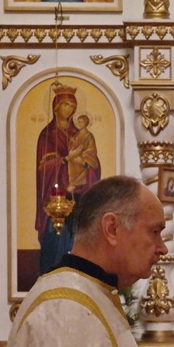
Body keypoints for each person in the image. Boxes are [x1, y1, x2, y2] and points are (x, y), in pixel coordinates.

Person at [4, 176, 174, 347]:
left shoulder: (89, 294)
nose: (162, 247)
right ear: (112, 229)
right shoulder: (64, 311)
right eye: (154, 232)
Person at [35, 83, 101, 276]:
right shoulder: (47, 135)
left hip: (78, 196)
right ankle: (51, 278)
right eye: (66, 105)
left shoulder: (81, 134)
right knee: (55, 240)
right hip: (55, 201)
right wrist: (63, 160)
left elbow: (94, 164)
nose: (69, 109)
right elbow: (43, 168)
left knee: (78, 238)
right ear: (56, 107)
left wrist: (87, 164)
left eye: (72, 106)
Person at [65, 114, 100, 194]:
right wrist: (71, 142)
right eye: (79, 122)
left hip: (83, 158)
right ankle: (73, 184)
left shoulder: (89, 135)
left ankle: (74, 184)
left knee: (81, 167)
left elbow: (92, 149)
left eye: (82, 122)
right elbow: (73, 145)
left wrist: (81, 156)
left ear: (86, 123)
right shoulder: (77, 134)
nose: (80, 124)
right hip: (74, 157)